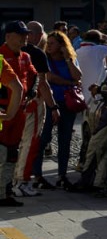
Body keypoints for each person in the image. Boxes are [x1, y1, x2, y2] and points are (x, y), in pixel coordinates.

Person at [0, 22, 40, 207]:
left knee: (11, 154)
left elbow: (34, 76)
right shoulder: (1, 56)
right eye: (21, 34)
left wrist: (31, 92)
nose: (25, 37)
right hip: (3, 112)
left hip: (19, 112)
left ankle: (5, 193)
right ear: (8, 36)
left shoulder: (25, 56)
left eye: (26, 34)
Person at [38, 31, 83, 190]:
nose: (48, 46)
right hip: (50, 103)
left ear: (62, 45)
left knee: (65, 140)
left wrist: (68, 59)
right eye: (48, 43)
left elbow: (78, 76)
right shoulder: (44, 59)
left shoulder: (70, 59)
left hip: (68, 104)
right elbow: (50, 78)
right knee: (44, 138)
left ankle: (62, 175)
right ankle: (37, 174)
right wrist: (69, 82)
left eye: (52, 43)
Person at [16, 22, 54, 195]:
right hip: (32, 104)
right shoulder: (36, 54)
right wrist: (53, 106)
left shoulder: (3, 53)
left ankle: (11, 181)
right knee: (30, 143)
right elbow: (42, 83)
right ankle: (21, 181)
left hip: (11, 106)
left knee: (11, 144)